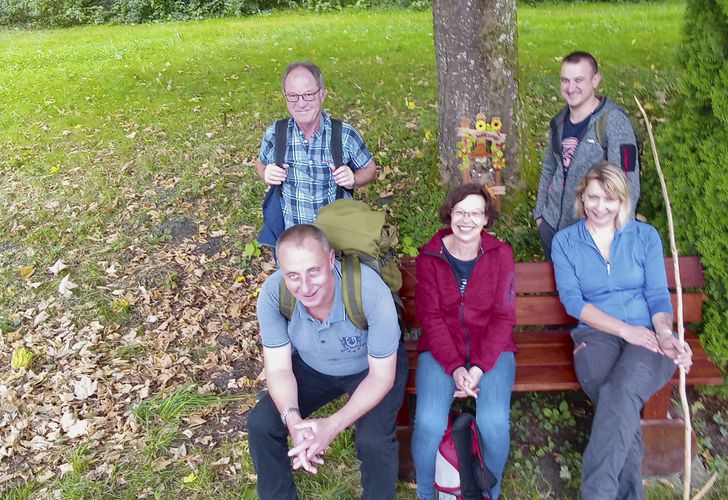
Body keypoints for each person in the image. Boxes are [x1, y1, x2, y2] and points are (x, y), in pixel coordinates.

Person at [550, 162, 692, 499]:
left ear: (622, 201)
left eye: (609, 199)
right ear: (581, 197)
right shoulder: (566, 242)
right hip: (596, 336)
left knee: (618, 396)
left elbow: (658, 296)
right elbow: (575, 303)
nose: (600, 206)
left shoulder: (644, 236)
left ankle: (596, 492)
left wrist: (664, 334)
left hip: (649, 337)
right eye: (593, 197)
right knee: (619, 403)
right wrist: (625, 331)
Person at [246, 224, 408, 499]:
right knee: (262, 423)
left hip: (370, 367)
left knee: (374, 441)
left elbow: (382, 376)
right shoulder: (274, 294)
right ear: (281, 269)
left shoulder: (369, 291)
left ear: (331, 259)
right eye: (293, 276)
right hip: (314, 365)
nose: (306, 286)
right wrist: (294, 420)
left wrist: (332, 425)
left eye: (314, 271)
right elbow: (279, 368)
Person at [411, 183, 517, 500]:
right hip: (442, 352)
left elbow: (503, 318)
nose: (466, 220)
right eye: (460, 212)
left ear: (486, 219)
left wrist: (479, 368)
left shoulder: (501, 255)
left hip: (491, 352)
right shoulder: (430, 256)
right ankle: (427, 493)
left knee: (494, 422)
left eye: (475, 213)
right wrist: (457, 368)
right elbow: (430, 318)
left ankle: (488, 493)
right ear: (450, 215)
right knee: (429, 422)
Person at [534, 51, 640, 260]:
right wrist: (540, 215)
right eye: (565, 80)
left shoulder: (613, 122)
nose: (571, 88)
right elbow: (549, 168)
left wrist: (617, 231)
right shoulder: (559, 122)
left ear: (595, 80)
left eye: (579, 80)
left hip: (594, 234)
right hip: (553, 230)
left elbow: (628, 180)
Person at [256, 61, 378, 227]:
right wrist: (265, 173)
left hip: (336, 233)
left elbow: (370, 170)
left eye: (308, 94)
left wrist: (354, 179)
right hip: (293, 235)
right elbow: (260, 164)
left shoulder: (344, 134)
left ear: (322, 95)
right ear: (285, 97)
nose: (300, 103)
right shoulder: (275, 133)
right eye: (292, 96)